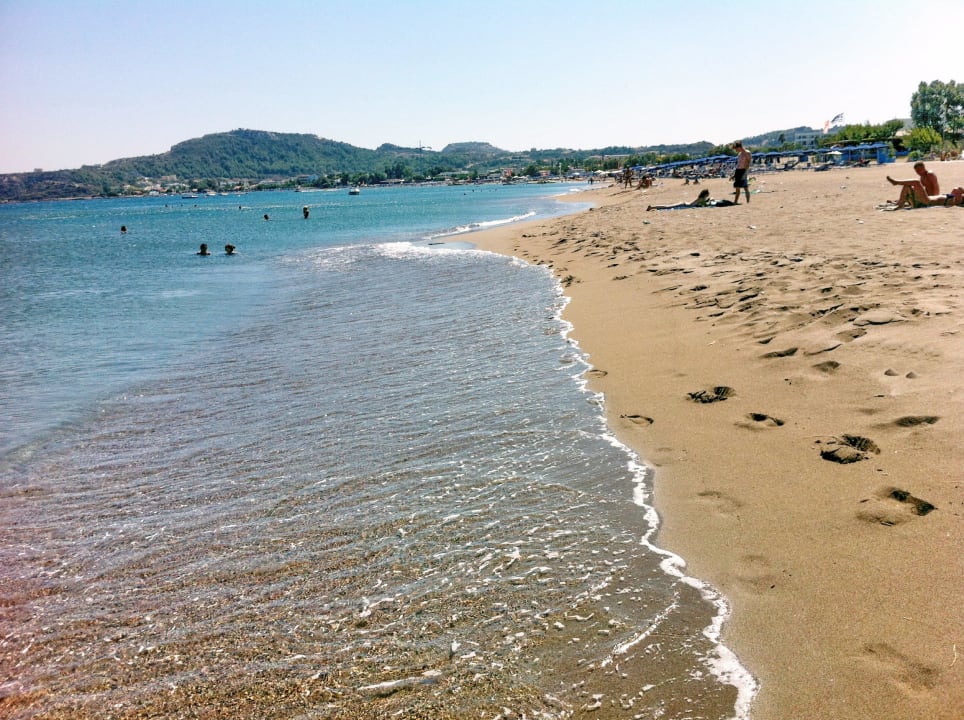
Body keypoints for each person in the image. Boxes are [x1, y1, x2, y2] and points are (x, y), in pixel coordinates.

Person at [647, 189, 713, 211]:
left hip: (685, 204)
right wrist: (710, 200)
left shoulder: (701, 198)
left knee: (668, 206)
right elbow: (706, 205)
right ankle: (652, 207)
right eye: (708, 194)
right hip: (685, 205)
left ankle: (652, 207)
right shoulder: (702, 199)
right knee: (667, 207)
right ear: (705, 194)